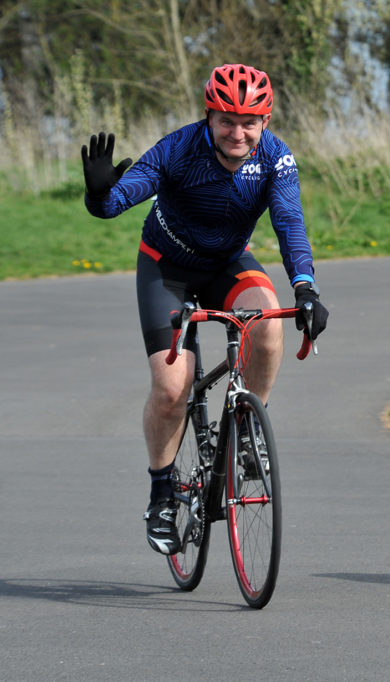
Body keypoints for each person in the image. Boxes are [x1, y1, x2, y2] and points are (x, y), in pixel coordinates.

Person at [82, 64, 329, 555]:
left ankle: (245, 432)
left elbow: (289, 223)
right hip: (166, 269)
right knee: (173, 389)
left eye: (250, 122)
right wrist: (99, 192)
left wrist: (306, 289)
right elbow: (116, 204)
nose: (238, 132)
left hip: (227, 263)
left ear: (265, 121)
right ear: (209, 116)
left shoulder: (277, 160)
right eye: (226, 121)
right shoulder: (179, 148)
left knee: (268, 325)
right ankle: (160, 494)